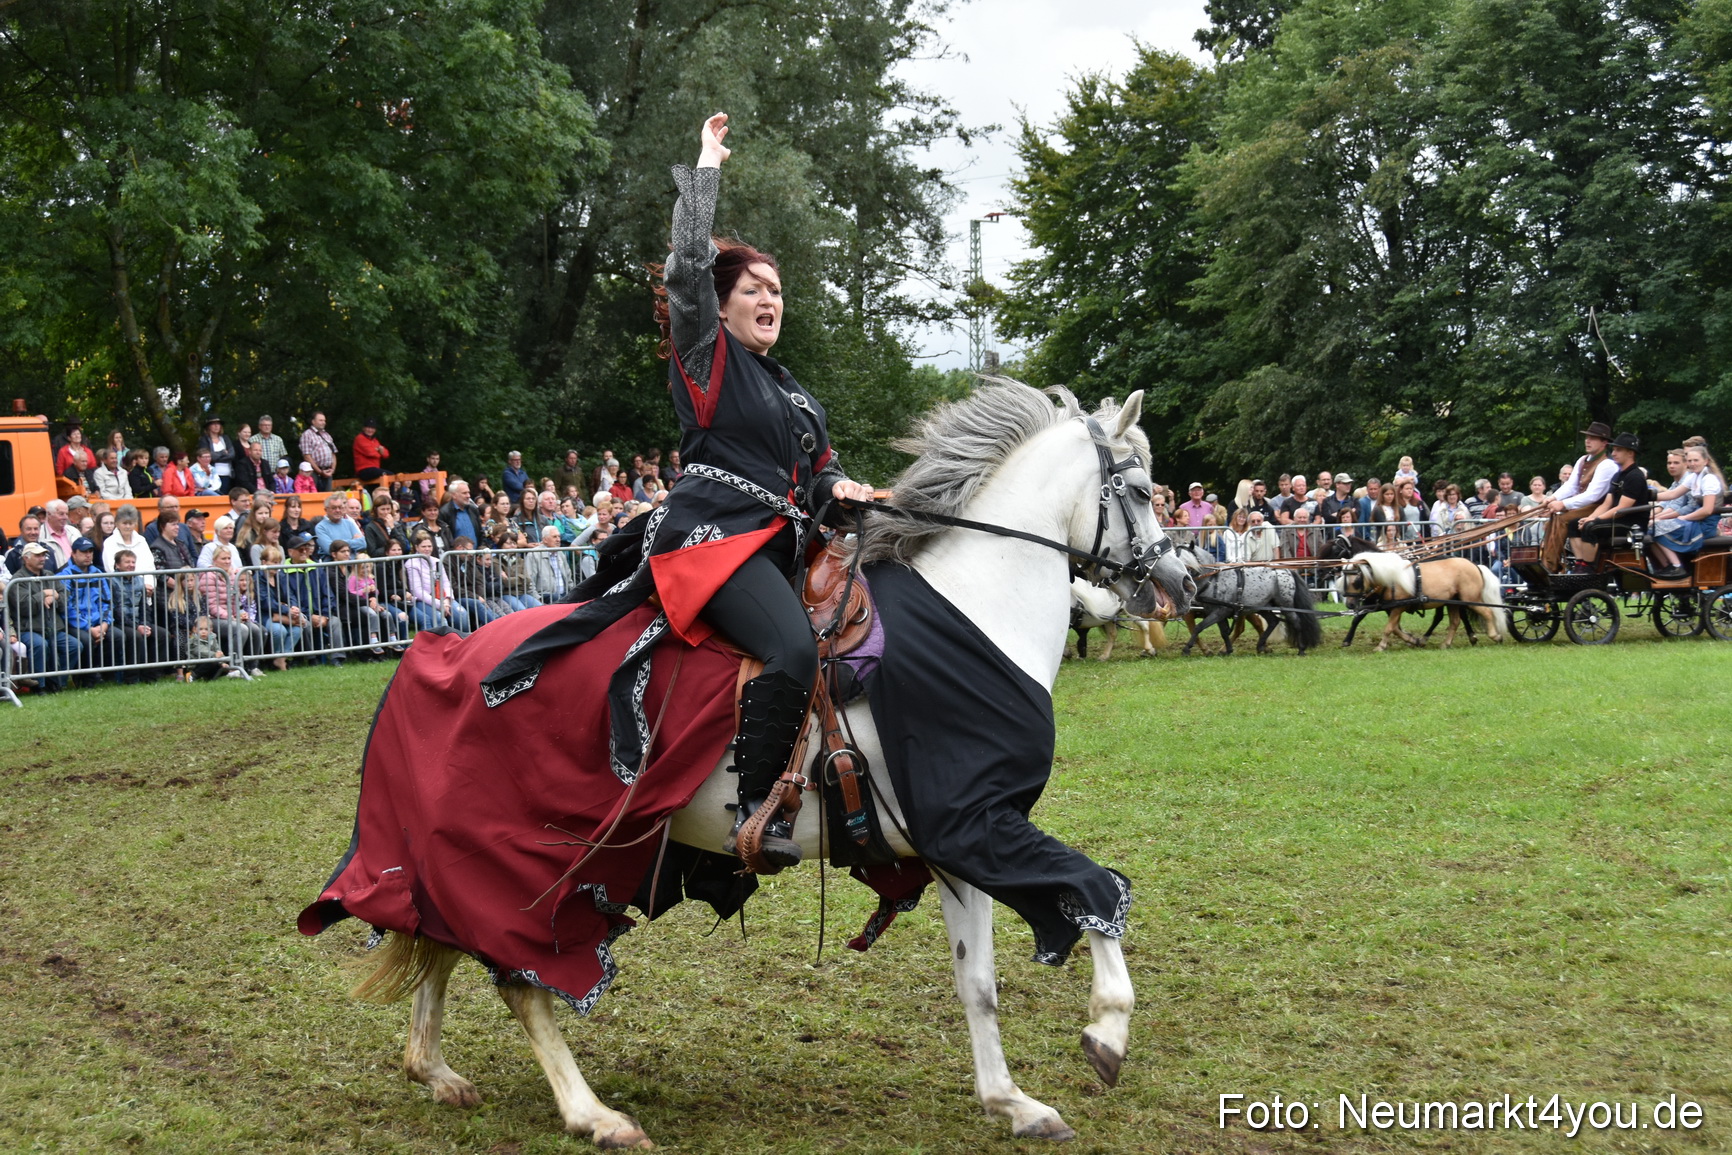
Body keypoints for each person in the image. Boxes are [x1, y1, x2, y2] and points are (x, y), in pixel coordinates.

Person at [478, 113, 870, 872]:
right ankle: (755, 813)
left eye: (778, 290)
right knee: (791, 645)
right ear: (720, 307)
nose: (771, 299)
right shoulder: (707, 356)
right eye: (754, 289)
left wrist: (842, 487)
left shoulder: (795, 393)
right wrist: (705, 168)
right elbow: (688, 267)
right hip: (713, 543)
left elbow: (818, 473)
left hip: (779, 546)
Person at [1543, 421, 1619, 569]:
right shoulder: (1582, 460)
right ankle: (1550, 561)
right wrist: (1552, 498)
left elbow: (1593, 495)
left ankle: (1550, 565)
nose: (1587, 441)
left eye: (1593, 438)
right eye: (1587, 437)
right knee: (1552, 521)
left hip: (1598, 507)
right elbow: (1571, 486)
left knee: (1561, 520)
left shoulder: (1607, 465)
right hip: (1583, 506)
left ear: (1604, 443)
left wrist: (1563, 504)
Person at [6, 543, 77, 691]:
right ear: (26, 558)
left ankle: (58, 682)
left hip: (53, 626)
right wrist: (44, 594)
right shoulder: (17, 580)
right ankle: (40, 686)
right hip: (28, 628)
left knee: (74, 645)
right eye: (38, 555)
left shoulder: (49, 575)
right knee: (40, 645)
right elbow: (24, 607)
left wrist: (55, 597)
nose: (42, 558)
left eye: (43, 555)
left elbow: (65, 596)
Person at [1575, 432, 1650, 567]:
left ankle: (1588, 568)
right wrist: (1590, 518)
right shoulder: (1617, 476)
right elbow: (1607, 504)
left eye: (1618, 450)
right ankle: (1579, 564)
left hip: (1631, 523)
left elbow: (1621, 509)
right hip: (1617, 520)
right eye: (1613, 449)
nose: (1613, 453)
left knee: (1591, 527)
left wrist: (1594, 520)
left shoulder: (1635, 476)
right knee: (1574, 524)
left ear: (1630, 453)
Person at [1650, 444, 1725, 572]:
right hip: (1695, 520)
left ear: (1706, 461)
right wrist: (1647, 495)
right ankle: (1666, 567)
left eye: (1696, 460)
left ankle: (1677, 567)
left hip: (1705, 525)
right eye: (1690, 461)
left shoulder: (1709, 479)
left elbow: (1707, 510)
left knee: (1655, 527)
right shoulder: (1694, 477)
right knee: (1650, 528)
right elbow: (1672, 494)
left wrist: (1683, 518)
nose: (1692, 464)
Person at [58, 537, 114, 682]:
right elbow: (67, 608)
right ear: (73, 554)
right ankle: (85, 679)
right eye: (84, 552)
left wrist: (104, 624)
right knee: (86, 639)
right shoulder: (65, 575)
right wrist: (88, 628)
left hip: (97, 622)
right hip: (74, 624)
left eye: (90, 551)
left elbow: (107, 601)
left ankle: (109, 678)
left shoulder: (98, 573)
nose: (88, 555)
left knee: (117, 636)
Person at [314, 494, 367, 558]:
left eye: (340, 507)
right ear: (326, 510)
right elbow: (329, 549)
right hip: (333, 563)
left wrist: (336, 543)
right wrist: (353, 541)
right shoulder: (320, 527)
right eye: (334, 508)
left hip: (353, 562)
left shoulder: (349, 523)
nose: (338, 510)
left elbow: (363, 544)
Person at [300, 411, 337, 489]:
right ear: (313, 421)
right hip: (313, 472)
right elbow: (307, 456)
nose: (323, 422)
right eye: (320, 420)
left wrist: (332, 469)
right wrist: (320, 471)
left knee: (328, 495)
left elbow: (333, 453)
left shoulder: (327, 435)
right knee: (314, 494)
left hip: (328, 471)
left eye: (324, 420)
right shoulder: (307, 435)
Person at [197, 416, 236, 487]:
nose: (216, 426)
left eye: (218, 424)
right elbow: (207, 456)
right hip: (211, 474)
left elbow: (232, 455)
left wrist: (216, 456)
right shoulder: (204, 439)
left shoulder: (225, 438)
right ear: (208, 426)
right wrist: (222, 453)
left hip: (227, 474)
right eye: (213, 424)